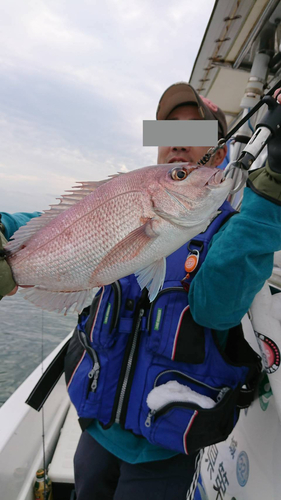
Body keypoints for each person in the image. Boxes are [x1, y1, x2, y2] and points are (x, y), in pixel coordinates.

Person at [1, 83, 281, 500]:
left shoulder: (232, 227)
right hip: (96, 428)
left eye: (197, 133)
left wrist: (269, 195)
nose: (178, 143)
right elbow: (58, 225)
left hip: (165, 447)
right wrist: (5, 231)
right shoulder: (126, 196)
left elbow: (215, 310)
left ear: (219, 152)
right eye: (165, 133)